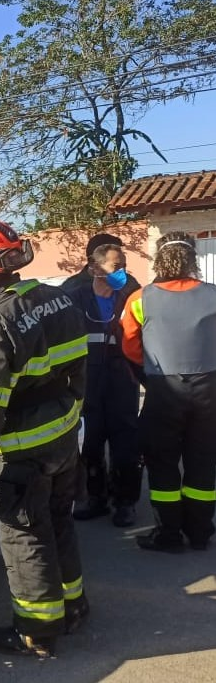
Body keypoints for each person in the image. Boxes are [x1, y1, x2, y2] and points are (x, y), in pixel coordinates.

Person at [0, 217, 89, 659]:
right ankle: (74, 606)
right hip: (63, 439)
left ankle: (36, 631)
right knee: (58, 522)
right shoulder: (57, 299)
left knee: (25, 536)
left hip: (21, 452)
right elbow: (78, 368)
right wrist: (72, 415)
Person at [121, 231, 216, 553]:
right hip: (210, 390)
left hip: (163, 390)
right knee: (203, 462)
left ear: (159, 259)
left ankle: (169, 535)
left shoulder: (139, 299)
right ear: (192, 259)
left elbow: (130, 347)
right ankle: (201, 532)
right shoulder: (214, 295)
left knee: (162, 462)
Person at [67, 243, 142, 527]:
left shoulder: (131, 297)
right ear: (94, 269)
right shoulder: (74, 298)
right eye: (116, 265)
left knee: (125, 443)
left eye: (123, 264)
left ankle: (125, 502)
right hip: (87, 380)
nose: (122, 271)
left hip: (123, 379)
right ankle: (94, 498)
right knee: (91, 442)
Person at [61, 232, 141, 294]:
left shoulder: (130, 283)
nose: (122, 271)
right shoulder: (71, 289)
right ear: (93, 263)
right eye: (115, 265)